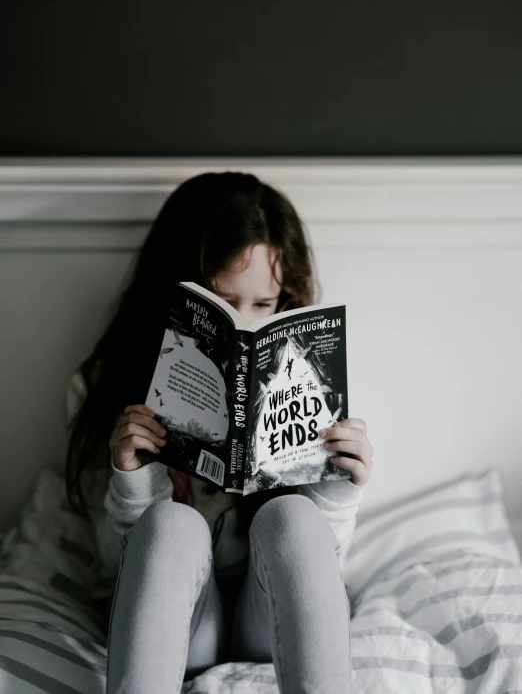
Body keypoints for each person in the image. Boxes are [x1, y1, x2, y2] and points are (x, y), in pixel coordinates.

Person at [64, 171, 374, 694]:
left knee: (294, 516)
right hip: (180, 626)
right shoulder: (102, 390)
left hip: (266, 617)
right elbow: (115, 568)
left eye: (263, 305)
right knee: (170, 525)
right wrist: (133, 483)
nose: (244, 325)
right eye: (222, 302)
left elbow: (315, 568)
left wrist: (338, 493)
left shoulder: (313, 380)